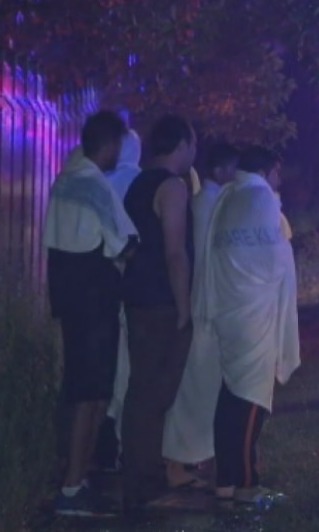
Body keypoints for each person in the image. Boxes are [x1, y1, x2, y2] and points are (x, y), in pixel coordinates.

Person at [44, 110, 138, 517]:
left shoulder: (64, 179)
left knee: (82, 394)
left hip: (70, 301)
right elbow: (123, 241)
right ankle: (71, 488)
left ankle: (75, 477)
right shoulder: (95, 186)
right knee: (92, 397)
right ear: (110, 144)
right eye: (118, 143)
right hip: (96, 304)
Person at [200, 146, 300, 505]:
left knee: (231, 395)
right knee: (251, 399)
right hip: (253, 314)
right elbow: (272, 260)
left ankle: (225, 479)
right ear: (268, 170)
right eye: (278, 171)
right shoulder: (260, 199)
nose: (280, 180)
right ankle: (246, 484)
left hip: (229, 310)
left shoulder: (228, 198)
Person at [121, 115, 197, 509]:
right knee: (156, 391)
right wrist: (184, 308)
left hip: (137, 298)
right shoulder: (171, 187)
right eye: (192, 144)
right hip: (162, 303)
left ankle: (137, 470)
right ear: (181, 144)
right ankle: (143, 477)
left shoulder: (138, 184)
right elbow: (174, 251)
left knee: (142, 388)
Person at [162, 142, 240, 488]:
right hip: (206, 307)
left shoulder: (206, 202)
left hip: (204, 305)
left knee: (202, 387)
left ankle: (197, 457)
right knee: (196, 388)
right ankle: (178, 460)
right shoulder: (211, 204)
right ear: (222, 171)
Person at [94, 129, 142, 472]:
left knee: (108, 368)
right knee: (127, 369)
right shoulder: (140, 182)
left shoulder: (100, 182)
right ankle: (123, 447)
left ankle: (102, 445)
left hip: (99, 288)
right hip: (130, 287)